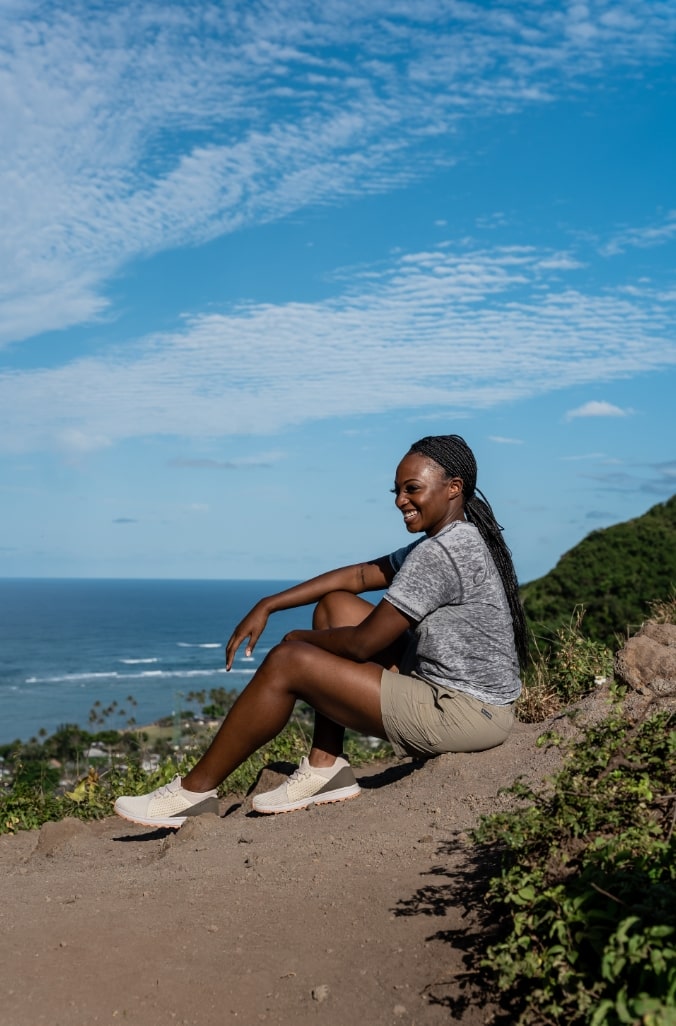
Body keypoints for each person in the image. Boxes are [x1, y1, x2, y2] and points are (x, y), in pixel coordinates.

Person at [114, 434, 529, 828]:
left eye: (412, 489)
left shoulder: (440, 553)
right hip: (464, 695)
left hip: (464, 713)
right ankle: (325, 767)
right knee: (333, 606)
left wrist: (296, 639)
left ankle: (192, 795)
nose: (401, 500)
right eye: (396, 491)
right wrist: (269, 604)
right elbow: (361, 574)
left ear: (453, 487)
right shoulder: (450, 539)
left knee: (288, 662)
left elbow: (365, 642)